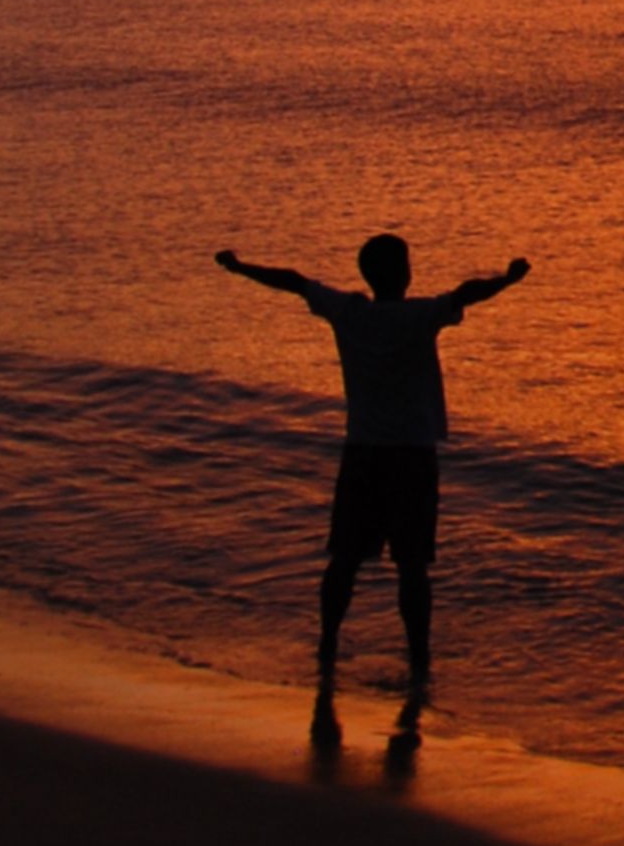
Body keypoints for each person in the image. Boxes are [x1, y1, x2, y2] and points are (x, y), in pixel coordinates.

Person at [214, 232, 529, 743]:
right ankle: (419, 660)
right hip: (411, 457)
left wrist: (242, 267)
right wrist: (509, 280)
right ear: (401, 273)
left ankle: (328, 644)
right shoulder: (418, 316)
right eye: (407, 262)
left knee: (345, 558)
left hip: (362, 455)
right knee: (412, 566)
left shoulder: (351, 314)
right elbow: (467, 293)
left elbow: (293, 282)